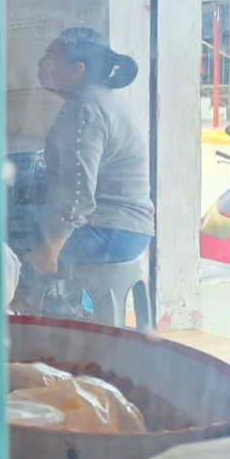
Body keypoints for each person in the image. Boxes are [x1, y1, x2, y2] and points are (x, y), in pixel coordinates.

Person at [23, 28, 154, 276]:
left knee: (9, 242)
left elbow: (77, 194)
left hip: (110, 231)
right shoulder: (98, 99)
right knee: (21, 218)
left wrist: (48, 253)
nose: (40, 64)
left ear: (76, 70)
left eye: (50, 57)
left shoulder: (84, 109)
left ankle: (25, 314)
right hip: (124, 230)